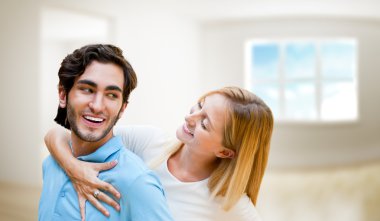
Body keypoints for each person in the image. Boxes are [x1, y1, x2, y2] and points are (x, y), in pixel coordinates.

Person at [45, 86, 274, 221]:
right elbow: (61, 135)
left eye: (205, 123)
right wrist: (75, 169)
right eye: (199, 105)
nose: (190, 117)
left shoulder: (231, 204)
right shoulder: (149, 141)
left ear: (225, 152)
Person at [38, 44, 174, 221]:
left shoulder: (136, 182)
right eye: (87, 89)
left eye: (111, 95)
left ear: (122, 109)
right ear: (63, 95)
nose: (97, 106)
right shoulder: (51, 164)